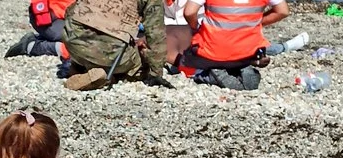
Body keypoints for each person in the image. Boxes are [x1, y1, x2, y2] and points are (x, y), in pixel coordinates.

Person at [169, 0, 300, 90]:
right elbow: (283, 11)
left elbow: (189, 12)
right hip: (248, 54)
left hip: (212, 52)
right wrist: (256, 23)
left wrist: (197, 27)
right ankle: (240, 67)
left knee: (185, 62)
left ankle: (205, 75)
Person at [60, 0, 175, 91]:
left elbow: (71, 10)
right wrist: (156, 72)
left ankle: (79, 67)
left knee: (85, 31)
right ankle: (106, 75)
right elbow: (155, 35)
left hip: (72, 39)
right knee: (140, 65)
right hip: (111, 52)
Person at [4, 0, 74, 64]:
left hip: (68, 18)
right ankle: (32, 46)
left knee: (80, 43)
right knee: (75, 49)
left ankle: (44, 38)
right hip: (49, 18)